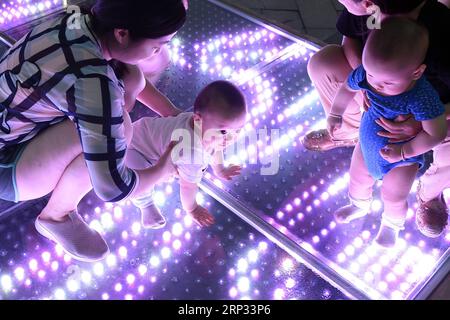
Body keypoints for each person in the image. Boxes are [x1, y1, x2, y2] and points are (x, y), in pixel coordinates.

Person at [0, 0, 187, 262]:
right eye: (157, 46)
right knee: (120, 126)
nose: (158, 53)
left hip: (13, 123)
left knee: (123, 88)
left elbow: (130, 75)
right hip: (6, 167)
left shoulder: (77, 20)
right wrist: (162, 169)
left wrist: (173, 113)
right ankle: (56, 216)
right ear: (122, 34)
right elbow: (113, 187)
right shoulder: (94, 82)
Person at [303, 0, 450, 238]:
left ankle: (405, 213)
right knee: (358, 174)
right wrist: (356, 93)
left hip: (414, 138)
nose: (341, 2)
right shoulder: (367, 18)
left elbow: (436, 131)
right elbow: (349, 41)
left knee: (394, 193)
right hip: (372, 134)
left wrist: (417, 131)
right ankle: (358, 200)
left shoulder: (439, 33)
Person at [126, 81, 247, 229]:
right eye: (224, 131)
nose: (231, 138)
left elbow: (216, 149)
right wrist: (192, 208)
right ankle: (146, 206)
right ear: (197, 119)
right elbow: (188, 186)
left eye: (238, 130)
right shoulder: (191, 152)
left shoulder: (202, 126)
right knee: (138, 181)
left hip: (141, 133)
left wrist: (220, 169)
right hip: (132, 150)